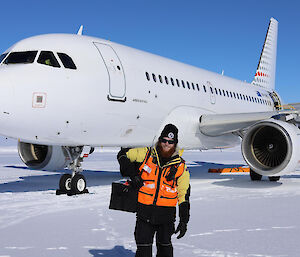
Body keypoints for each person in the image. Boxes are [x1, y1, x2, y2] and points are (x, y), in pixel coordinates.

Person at [117, 124, 190, 257]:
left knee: (165, 251)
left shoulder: (180, 166)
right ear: (160, 139)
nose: (166, 144)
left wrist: (184, 220)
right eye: (164, 140)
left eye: (170, 142)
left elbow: (183, 194)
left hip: (166, 218)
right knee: (143, 252)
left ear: (175, 144)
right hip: (144, 215)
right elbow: (122, 155)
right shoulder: (146, 154)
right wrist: (133, 174)